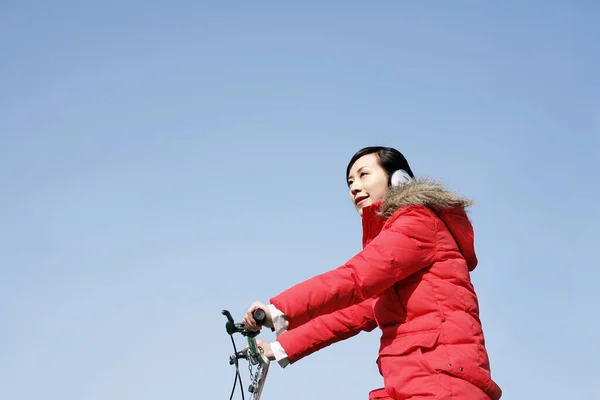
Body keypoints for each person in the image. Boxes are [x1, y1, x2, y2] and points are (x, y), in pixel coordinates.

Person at [242, 146, 502, 400]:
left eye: (364, 175)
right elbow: (349, 314)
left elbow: (355, 278)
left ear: (399, 179)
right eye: (350, 182)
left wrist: (276, 310)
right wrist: (278, 347)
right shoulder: (399, 250)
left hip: (441, 381)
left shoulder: (418, 222)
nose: (354, 186)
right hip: (412, 380)